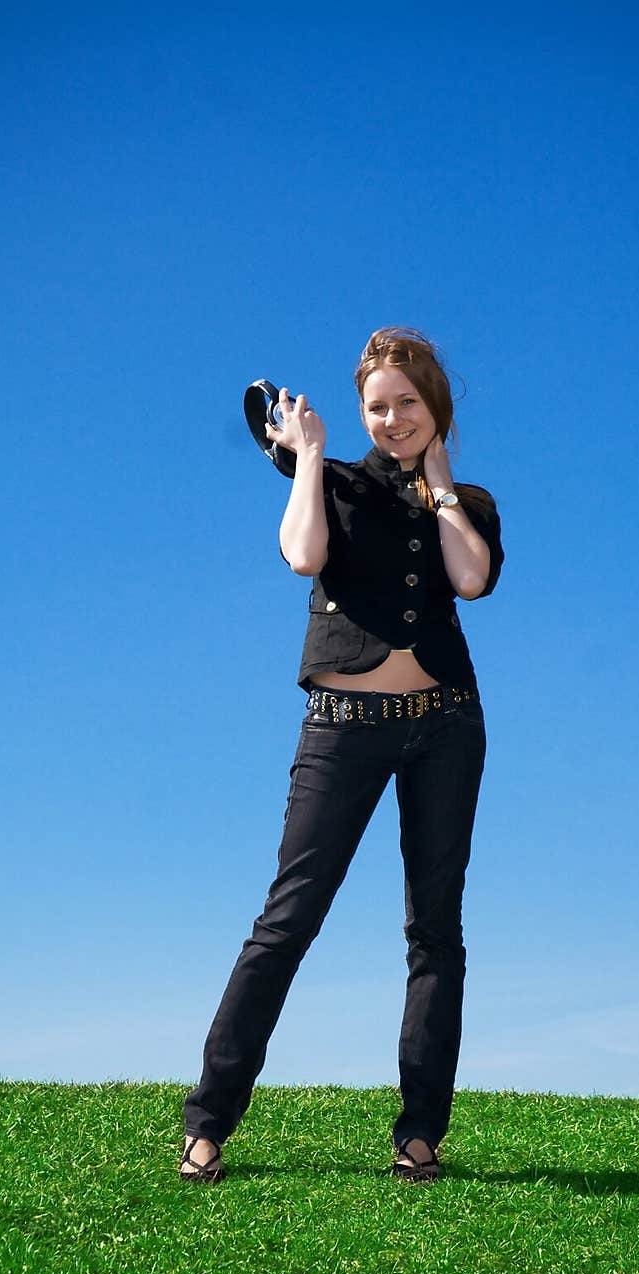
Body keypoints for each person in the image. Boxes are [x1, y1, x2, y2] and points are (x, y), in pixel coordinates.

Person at [181, 327, 505, 1183]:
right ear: (358, 412)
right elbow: (303, 556)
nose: (391, 418)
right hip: (342, 724)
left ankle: (420, 1136)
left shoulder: (469, 501)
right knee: (288, 920)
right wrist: (313, 456)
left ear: (434, 406)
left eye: (408, 403)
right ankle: (208, 1124)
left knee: (435, 930)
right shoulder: (334, 480)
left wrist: (438, 483)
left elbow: (469, 580)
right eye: (376, 406)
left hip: (446, 725)